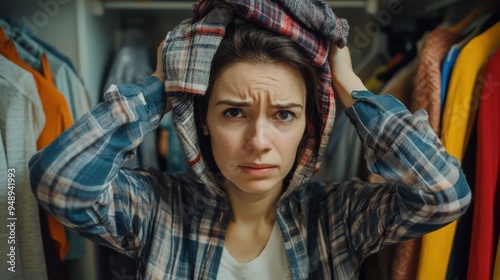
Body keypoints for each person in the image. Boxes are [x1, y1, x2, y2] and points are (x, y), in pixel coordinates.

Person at [29, 18, 471, 280]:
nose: (258, 142)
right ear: (203, 119)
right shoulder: (157, 209)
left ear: (308, 127)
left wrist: (352, 89)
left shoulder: (338, 216)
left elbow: (444, 195)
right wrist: (161, 88)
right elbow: (59, 183)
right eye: (234, 113)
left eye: (284, 115)